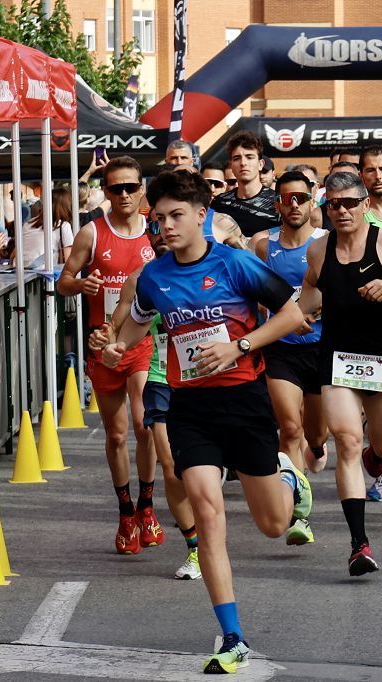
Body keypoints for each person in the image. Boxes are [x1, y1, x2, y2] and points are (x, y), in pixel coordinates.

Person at [103, 170, 311, 674]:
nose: (167, 226)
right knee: (208, 514)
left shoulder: (236, 263)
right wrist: (114, 346)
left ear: (202, 216)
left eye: (177, 216)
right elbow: (134, 324)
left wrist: (238, 346)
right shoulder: (154, 276)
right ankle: (232, 635)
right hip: (189, 408)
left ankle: (290, 478)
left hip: (243, 402)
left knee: (272, 524)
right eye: (160, 219)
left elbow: (293, 314)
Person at [298, 171, 382, 575]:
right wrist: (302, 314)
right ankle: (359, 543)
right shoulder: (318, 250)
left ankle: (377, 460)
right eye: (333, 204)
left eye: (349, 203)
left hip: (380, 359)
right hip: (336, 358)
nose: (341, 211)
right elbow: (309, 289)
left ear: (363, 205)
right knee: (345, 437)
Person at [89, 215, 202, 581]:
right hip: (159, 375)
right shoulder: (143, 279)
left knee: (217, 469)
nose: (162, 234)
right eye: (154, 228)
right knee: (165, 459)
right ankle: (191, 545)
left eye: (171, 223)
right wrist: (107, 339)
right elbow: (119, 320)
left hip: (211, 378)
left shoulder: (216, 266)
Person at [58, 156, 160, 553]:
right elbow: (64, 281)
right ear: (105, 191)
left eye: (130, 187)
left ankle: (148, 506)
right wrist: (80, 284)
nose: (123, 195)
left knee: (143, 425)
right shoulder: (91, 233)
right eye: (115, 188)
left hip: (142, 344)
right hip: (102, 345)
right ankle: (126, 512)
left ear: (142, 189)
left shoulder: (156, 232)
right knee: (116, 434)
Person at [254, 171, 328, 544]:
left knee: (314, 434)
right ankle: (301, 514)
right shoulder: (263, 245)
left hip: (321, 347)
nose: (294, 204)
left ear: (312, 200)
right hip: (281, 349)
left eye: (301, 197)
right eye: (287, 198)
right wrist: (282, 319)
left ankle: (317, 448)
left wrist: (310, 311)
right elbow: (252, 292)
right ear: (278, 203)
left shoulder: (326, 242)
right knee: (289, 429)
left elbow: (338, 289)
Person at [211, 131, 280, 238]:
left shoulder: (278, 202)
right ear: (231, 165)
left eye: (249, 157)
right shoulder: (220, 203)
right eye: (237, 158)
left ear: (260, 164)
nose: (243, 163)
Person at [17, 188, 74, 269]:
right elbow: (69, 261)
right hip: (46, 276)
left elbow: (15, 254)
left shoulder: (28, 224)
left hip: (23, 274)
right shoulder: (63, 226)